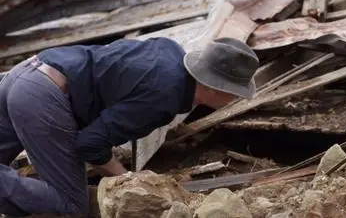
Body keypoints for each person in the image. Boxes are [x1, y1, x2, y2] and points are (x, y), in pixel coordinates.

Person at [0, 37, 259, 216]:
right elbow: (89, 144)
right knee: (70, 204)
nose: (234, 98)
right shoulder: (163, 97)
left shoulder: (170, 52)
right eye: (234, 92)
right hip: (42, 96)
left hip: (25, 73)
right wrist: (127, 180)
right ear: (215, 88)